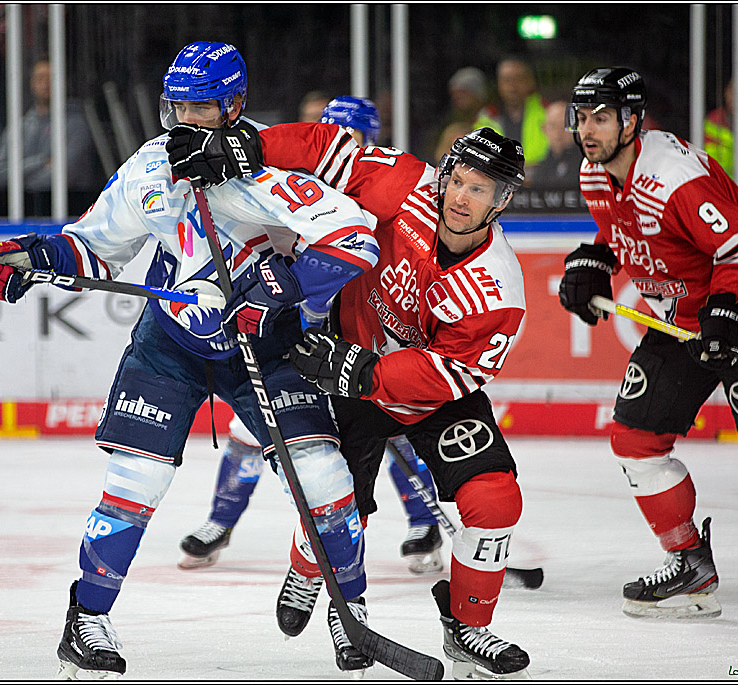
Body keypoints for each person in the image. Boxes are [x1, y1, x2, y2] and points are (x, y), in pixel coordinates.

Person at [0, 42, 379, 679]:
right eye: (176, 105)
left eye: (201, 106)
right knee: (135, 482)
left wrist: (283, 292)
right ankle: (87, 620)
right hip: (170, 346)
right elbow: (97, 247)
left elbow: (354, 237)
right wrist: (30, 257)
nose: (185, 120)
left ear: (235, 104)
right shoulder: (152, 166)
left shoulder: (270, 167)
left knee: (326, 478)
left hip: (263, 351)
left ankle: (351, 615)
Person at [169, 123, 533, 679]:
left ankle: (468, 628)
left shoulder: (498, 286)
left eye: (479, 190)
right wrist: (248, 147)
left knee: (496, 500)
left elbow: (452, 373)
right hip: (348, 369)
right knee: (335, 500)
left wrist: (365, 371)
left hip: (418, 391)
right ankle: (306, 565)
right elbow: (327, 149)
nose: (460, 197)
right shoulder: (407, 187)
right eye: (458, 180)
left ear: (502, 200)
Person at [557, 67, 738, 620]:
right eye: (581, 117)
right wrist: (596, 258)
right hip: (679, 324)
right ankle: (690, 564)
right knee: (635, 438)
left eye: (601, 118)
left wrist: (722, 313)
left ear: (632, 121)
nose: (587, 130)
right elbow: (628, 230)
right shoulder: (596, 175)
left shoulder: (673, 177)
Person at [177, 95, 445, 578]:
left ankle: (423, 523)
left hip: (368, 329)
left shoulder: (381, 193)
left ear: (369, 139)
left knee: (393, 425)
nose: (342, 140)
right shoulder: (288, 188)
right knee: (251, 431)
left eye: (352, 134)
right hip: (297, 330)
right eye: (332, 130)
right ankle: (220, 521)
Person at [0, 58, 98, 191]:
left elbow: (63, 177)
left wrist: (19, 184)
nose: (46, 83)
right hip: (21, 208)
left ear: (62, 83)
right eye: (40, 78)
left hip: (68, 207)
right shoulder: (20, 127)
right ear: (32, 83)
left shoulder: (77, 125)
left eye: (51, 78)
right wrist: (41, 162)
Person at [480, 56, 549, 168]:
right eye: (506, 80)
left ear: (531, 81)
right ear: (498, 84)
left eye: (518, 79)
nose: (512, 86)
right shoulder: (486, 116)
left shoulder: (548, 112)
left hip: (542, 180)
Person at [526, 100, 584, 189]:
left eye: (565, 126)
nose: (558, 133)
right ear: (544, 129)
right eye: (553, 126)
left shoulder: (586, 165)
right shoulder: (542, 167)